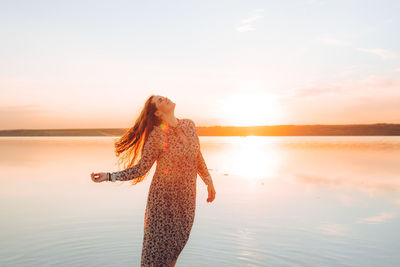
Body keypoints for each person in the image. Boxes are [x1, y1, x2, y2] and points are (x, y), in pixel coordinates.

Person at [91, 95, 216, 267]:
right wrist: (110, 176)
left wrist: (209, 181)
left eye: (163, 97)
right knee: (155, 257)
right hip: (163, 203)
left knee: (174, 252)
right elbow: (141, 168)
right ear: (157, 113)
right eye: (160, 100)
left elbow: (197, 155)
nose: (165, 98)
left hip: (186, 201)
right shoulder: (157, 136)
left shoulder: (189, 124)